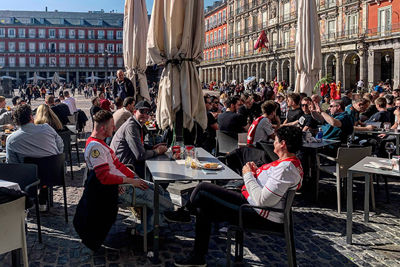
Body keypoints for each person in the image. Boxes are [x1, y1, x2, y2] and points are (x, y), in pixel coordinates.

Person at [165, 126, 304, 266]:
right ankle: (197, 256)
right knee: (204, 205)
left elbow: (263, 200)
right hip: (252, 205)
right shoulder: (289, 164)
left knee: (202, 189)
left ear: (283, 144)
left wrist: (248, 174)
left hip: (256, 213)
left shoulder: (286, 169)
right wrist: (255, 173)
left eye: (276, 140)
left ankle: (186, 213)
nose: (273, 142)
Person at [73, 110, 166, 251]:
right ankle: (145, 230)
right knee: (162, 202)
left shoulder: (101, 144)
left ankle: (146, 228)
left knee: (159, 191)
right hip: (117, 189)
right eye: (112, 126)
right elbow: (104, 177)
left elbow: (118, 165)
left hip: (124, 183)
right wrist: (128, 180)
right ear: (103, 128)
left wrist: (134, 177)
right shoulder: (95, 148)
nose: (114, 128)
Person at [6, 104, 64, 211]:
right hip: (54, 173)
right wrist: (56, 159)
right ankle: (42, 198)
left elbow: (12, 164)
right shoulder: (47, 128)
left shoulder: (11, 139)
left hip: (30, 179)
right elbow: (60, 145)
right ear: (31, 117)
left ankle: (25, 201)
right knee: (42, 166)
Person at [110, 101, 168, 178]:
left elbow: (139, 145)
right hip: (123, 168)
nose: (145, 115)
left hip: (127, 163)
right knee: (161, 174)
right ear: (135, 112)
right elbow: (140, 155)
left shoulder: (136, 124)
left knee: (160, 172)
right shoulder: (131, 126)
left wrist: (152, 147)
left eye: (147, 112)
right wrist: (157, 151)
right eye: (142, 111)